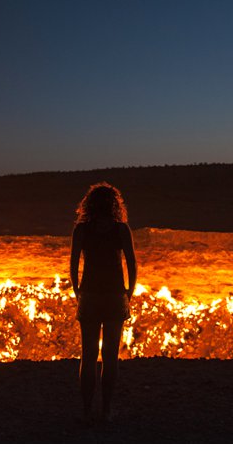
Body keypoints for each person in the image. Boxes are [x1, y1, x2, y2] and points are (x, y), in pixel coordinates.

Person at [69, 182, 137, 424]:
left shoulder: (82, 230)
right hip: (114, 295)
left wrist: (79, 292)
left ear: (89, 205)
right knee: (110, 356)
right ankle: (106, 410)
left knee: (87, 356)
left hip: (89, 295)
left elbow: (73, 266)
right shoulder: (121, 229)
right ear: (114, 205)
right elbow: (131, 263)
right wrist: (129, 292)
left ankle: (86, 412)